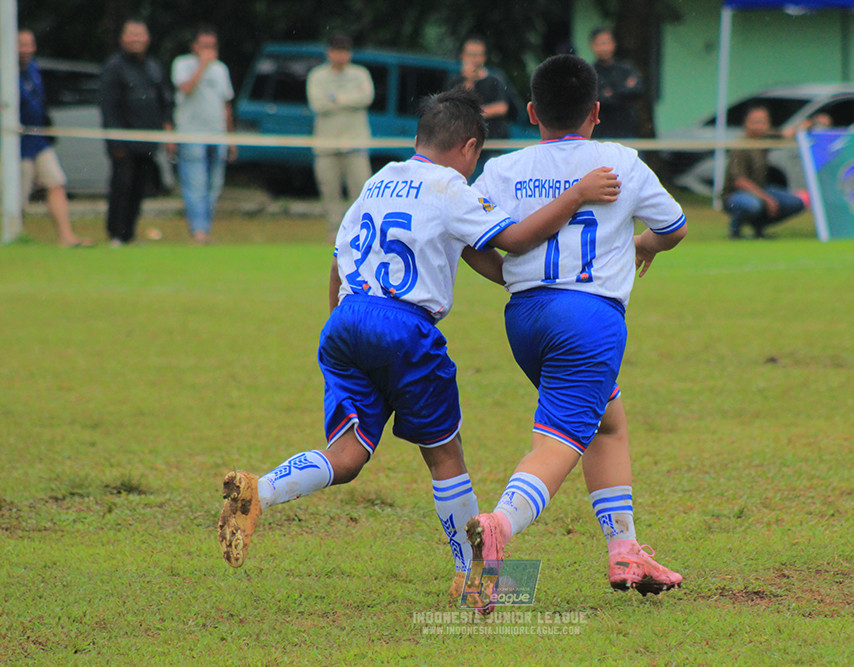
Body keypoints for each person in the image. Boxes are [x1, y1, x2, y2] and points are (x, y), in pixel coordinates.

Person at [216, 88, 622, 598]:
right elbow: (513, 240)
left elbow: (338, 263)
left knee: (346, 454)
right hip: (405, 328)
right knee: (445, 457)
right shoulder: (452, 187)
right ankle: (474, 575)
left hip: (346, 319)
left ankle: (260, 490)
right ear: (470, 149)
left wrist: (345, 332)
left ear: (416, 139)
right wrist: (577, 195)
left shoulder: (378, 181)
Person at [465, 54, 688, 611]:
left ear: (533, 112)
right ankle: (498, 528)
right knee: (557, 444)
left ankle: (625, 550)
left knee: (607, 424)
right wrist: (644, 244)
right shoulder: (620, 161)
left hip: (525, 319)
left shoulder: (504, 168)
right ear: (595, 111)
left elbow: (467, 241)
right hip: (588, 320)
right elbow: (675, 227)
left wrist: (511, 277)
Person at [99, 19, 173, 247]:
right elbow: (108, 107)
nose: (136, 39)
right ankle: (116, 235)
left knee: (139, 189)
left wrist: (167, 130)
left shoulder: (153, 66)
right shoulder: (114, 67)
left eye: (140, 34)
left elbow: (165, 101)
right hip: (123, 143)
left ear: (148, 38)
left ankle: (129, 234)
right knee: (122, 187)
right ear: (122, 38)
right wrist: (116, 143)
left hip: (148, 142)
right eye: (131, 34)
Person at [17, 29, 92, 247]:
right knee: (18, 194)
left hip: (38, 140)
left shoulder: (33, 68)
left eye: (30, 44)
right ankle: (13, 234)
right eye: (21, 44)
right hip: (15, 144)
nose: (26, 49)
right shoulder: (5, 70)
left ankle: (66, 237)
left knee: (56, 183)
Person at [307, 33, 374, 245]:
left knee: (361, 189)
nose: (341, 56)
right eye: (337, 51)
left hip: (356, 143)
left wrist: (337, 98)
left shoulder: (360, 74)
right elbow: (318, 104)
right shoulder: (317, 76)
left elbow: (367, 97)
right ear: (329, 53)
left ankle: (360, 231)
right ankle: (333, 232)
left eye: (345, 51)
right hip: (326, 145)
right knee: (329, 190)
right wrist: (350, 100)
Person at [171, 25, 235, 245]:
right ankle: (199, 231)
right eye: (204, 46)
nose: (208, 50)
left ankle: (205, 229)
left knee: (214, 186)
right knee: (195, 184)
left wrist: (231, 138)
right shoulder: (182, 64)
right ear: (194, 47)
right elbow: (186, 88)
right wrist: (203, 65)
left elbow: (226, 105)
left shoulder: (221, 69)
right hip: (191, 135)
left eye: (212, 46)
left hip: (217, 136)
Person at [722, 106, 805, 240]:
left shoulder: (764, 139)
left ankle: (759, 228)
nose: (758, 126)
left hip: (761, 189)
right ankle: (735, 229)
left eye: (762, 122)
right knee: (752, 204)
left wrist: (810, 123)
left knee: (796, 203)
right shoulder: (741, 146)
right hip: (736, 194)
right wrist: (767, 199)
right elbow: (739, 181)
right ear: (745, 123)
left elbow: (785, 134)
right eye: (754, 122)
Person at [447, 37, 512, 142]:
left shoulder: (494, 79)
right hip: (464, 139)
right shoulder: (454, 81)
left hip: (492, 140)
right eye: (470, 54)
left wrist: (473, 114)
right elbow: (453, 108)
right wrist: (469, 81)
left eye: (477, 55)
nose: (473, 59)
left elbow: (501, 107)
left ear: (484, 57)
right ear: (462, 56)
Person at [589, 27, 643, 139]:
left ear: (614, 44)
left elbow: (638, 90)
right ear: (592, 45)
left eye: (607, 43)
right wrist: (623, 89)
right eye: (600, 43)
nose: (604, 47)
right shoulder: (589, 72)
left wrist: (611, 92)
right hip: (600, 134)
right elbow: (594, 98)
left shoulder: (626, 69)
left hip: (626, 131)